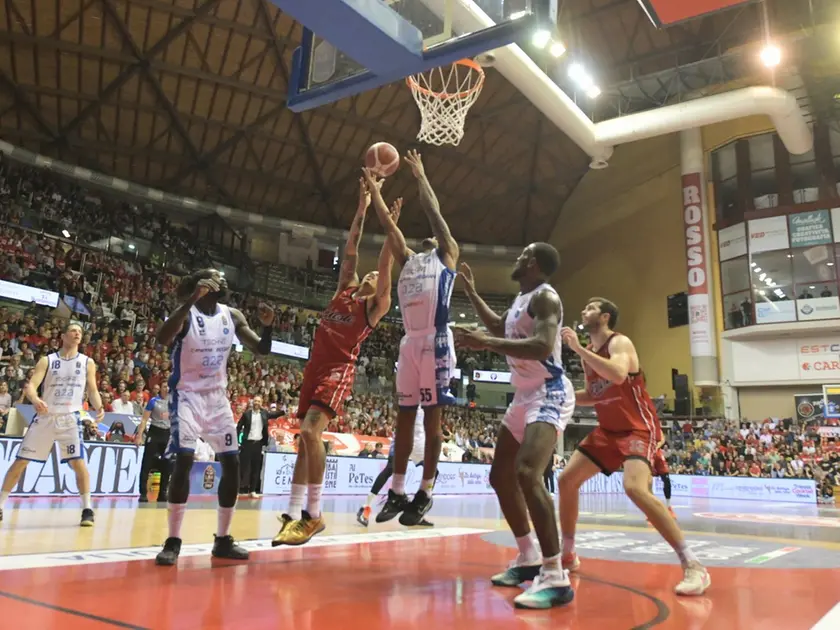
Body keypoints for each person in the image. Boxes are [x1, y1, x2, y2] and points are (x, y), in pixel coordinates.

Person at [272, 172, 399, 546]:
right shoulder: (345, 288)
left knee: (312, 432)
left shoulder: (373, 307)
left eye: (378, 276)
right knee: (302, 441)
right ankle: (292, 514)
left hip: (337, 370)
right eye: (370, 273)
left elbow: (386, 262)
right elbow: (352, 246)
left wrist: (389, 224)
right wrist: (361, 207)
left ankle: (315, 514)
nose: (373, 274)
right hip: (313, 368)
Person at [558, 298, 710, 596]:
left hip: (638, 427)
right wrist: (559, 395)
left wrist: (576, 348)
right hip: (607, 430)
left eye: (589, 308)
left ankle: (694, 565)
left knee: (635, 489)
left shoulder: (619, 342)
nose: (583, 310)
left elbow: (616, 375)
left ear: (604, 317)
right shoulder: (589, 354)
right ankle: (568, 553)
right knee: (566, 481)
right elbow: (593, 393)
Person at [453, 244, 574, 609]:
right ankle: (528, 557)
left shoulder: (546, 298)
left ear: (532, 263)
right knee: (500, 476)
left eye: (522, 256)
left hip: (549, 391)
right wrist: (472, 293)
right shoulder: (521, 300)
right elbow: (497, 325)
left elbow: (541, 345)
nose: (517, 260)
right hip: (523, 396)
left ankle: (555, 576)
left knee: (526, 472)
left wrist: (485, 342)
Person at [154, 269, 275, 566]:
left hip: (217, 398)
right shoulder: (186, 314)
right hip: (187, 395)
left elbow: (261, 350)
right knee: (184, 458)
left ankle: (222, 539)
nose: (222, 280)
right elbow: (161, 338)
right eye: (215, 276)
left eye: (222, 277)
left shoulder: (232, 315)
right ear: (201, 285)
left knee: (232, 463)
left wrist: (269, 327)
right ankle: (173, 540)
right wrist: (192, 299)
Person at [378, 150, 459, 527]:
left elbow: (435, 214)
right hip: (409, 342)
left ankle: (425, 491)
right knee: (404, 419)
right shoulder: (408, 258)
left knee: (432, 421)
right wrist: (373, 193)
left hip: (436, 342)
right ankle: (397, 490)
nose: (429, 235)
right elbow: (387, 226)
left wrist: (420, 175)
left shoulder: (446, 256)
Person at [0, 321, 105, 526]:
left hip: (70, 418)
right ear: (63, 337)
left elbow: (92, 389)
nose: (77, 334)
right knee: (21, 462)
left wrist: (99, 407)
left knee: (78, 464)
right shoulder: (47, 360)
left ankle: (87, 509)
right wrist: (35, 399)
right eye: (73, 331)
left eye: (80, 332)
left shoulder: (87, 362)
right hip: (46, 416)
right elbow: (31, 386)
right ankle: (1, 505)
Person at [357, 406, 435, 527]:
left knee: (433, 471)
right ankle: (366, 506)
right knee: (390, 468)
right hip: (405, 434)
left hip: (418, 439)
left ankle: (418, 512)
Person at [136, 382, 171, 503]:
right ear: (160, 389)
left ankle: (163, 493)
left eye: (168, 386)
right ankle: (143, 493)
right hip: (155, 432)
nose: (166, 388)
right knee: (147, 463)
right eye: (164, 386)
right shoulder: (153, 401)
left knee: (167, 465)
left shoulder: (174, 402)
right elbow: (144, 419)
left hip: (167, 433)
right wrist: (139, 436)